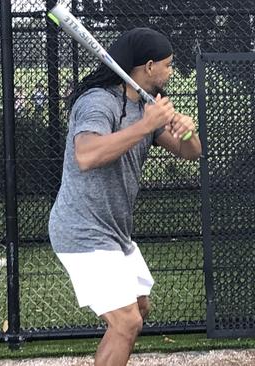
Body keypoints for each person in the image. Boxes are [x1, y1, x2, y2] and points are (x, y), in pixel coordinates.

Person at [48, 28, 201, 366]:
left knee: (138, 308)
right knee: (126, 321)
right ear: (148, 66)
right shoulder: (98, 102)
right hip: (81, 229)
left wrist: (186, 130)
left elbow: (191, 153)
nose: (171, 72)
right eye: (168, 65)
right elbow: (86, 156)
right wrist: (146, 127)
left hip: (115, 232)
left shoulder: (146, 105)